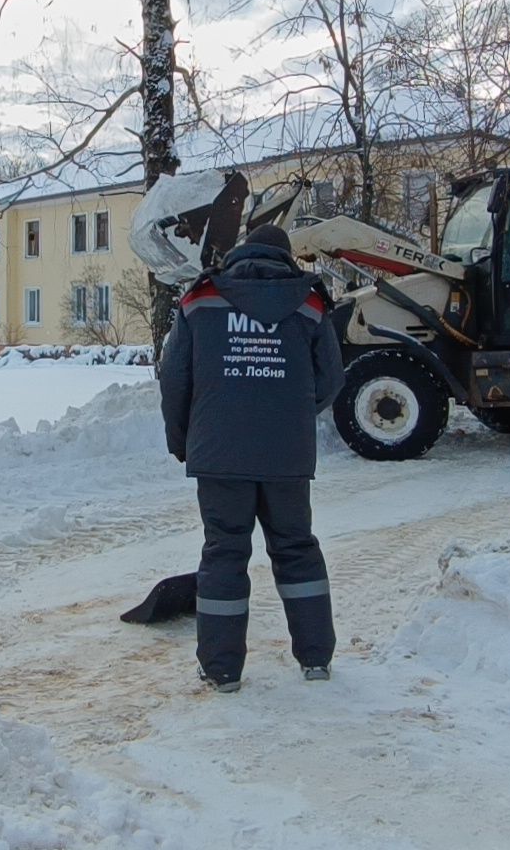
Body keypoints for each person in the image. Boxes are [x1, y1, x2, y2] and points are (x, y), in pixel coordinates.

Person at [159, 224, 344, 693]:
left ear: (240, 253)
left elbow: (175, 379)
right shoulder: (310, 303)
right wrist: (292, 409)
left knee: (224, 551)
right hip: (286, 455)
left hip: (219, 454)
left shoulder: (200, 300)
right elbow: (331, 380)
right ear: (287, 259)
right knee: (296, 546)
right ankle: (316, 659)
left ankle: (222, 671)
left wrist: (183, 440)